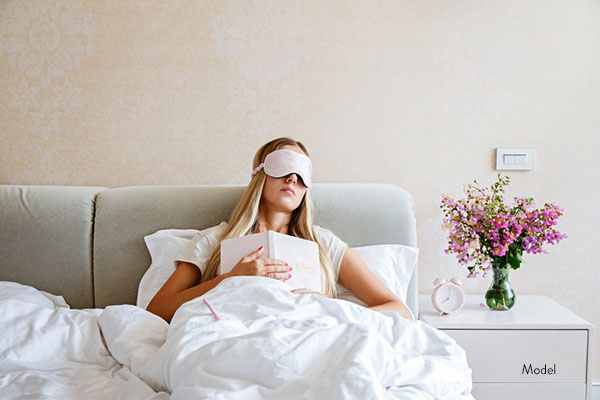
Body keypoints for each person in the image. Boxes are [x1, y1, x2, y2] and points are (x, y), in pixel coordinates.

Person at [146, 137, 413, 322]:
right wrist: (228, 279)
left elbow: (400, 310)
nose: (292, 178)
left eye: (301, 173)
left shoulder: (323, 244)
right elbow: (157, 310)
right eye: (283, 166)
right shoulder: (212, 241)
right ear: (259, 174)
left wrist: (330, 307)